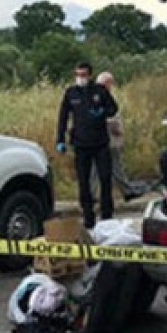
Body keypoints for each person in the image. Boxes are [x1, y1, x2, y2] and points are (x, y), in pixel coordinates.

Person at [55, 61, 119, 229]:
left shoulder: (99, 91)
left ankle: (107, 214)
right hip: (80, 143)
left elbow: (113, 108)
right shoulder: (71, 93)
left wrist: (102, 112)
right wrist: (60, 139)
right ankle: (88, 216)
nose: (80, 78)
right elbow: (63, 117)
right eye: (77, 75)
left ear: (89, 75)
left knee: (105, 178)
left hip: (100, 143)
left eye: (83, 75)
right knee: (83, 183)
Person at [88, 72, 145, 203]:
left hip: (98, 141)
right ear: (107, 83)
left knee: (96, 169)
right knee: (115, 167)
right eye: (110, 83)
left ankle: (91, 194)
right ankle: (127, 192)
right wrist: (116, 127)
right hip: (108, 140)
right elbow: (103, 119)